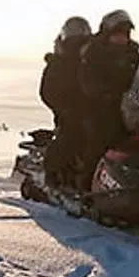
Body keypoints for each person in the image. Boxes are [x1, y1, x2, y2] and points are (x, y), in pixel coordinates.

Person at [76, 9, 139, 189]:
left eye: (125, 34)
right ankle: (86, 184)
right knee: (102, 139)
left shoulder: (133, 54)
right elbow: (88, 80)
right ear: (107, 34)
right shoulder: (94, 53)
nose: (122, 38)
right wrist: (104, 93)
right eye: (117, 34)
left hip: (130, 106)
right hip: (100, 107)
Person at [39, 16, 92, 188]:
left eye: (80, 35)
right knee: (72, 134)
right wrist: (64, 107)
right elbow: (47, 91)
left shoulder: (93, 59)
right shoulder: (57, 62)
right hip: (69, 111)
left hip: (95, 108)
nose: (76, 40)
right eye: (73, 35)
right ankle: (53, 174)